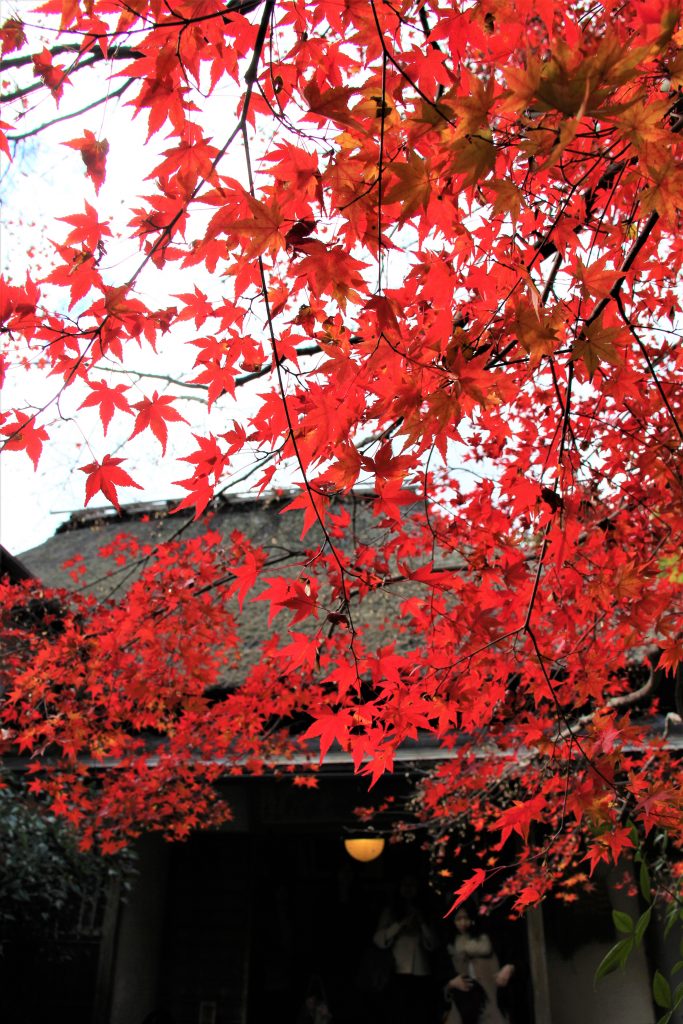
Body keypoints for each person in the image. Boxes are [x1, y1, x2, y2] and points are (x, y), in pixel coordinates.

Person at [373, 874, 439, 1024]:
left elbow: (434, 943)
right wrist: (400, 924)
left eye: (412, 885)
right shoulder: (390, 911)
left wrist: (421, 922)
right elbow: (379, 939)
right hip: (396, 970)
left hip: (421, 971)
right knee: (399, 1013)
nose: (408, 890)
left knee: (419, 1013)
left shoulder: (425, 911)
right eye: (405, 885)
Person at [444, 905, 515, 1024]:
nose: (463, 923)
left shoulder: (485, 940)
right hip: (463, 1000)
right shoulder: (451, 945)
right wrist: (451, 984)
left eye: (466, 918)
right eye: (458, 919)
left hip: (489, 997)